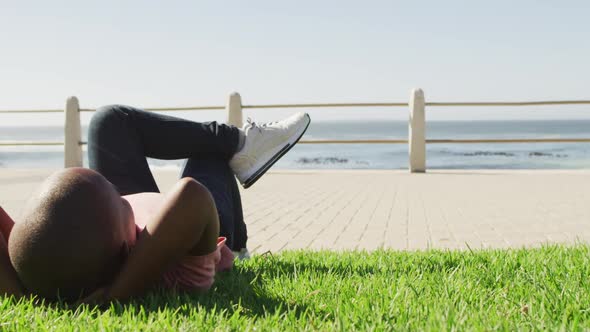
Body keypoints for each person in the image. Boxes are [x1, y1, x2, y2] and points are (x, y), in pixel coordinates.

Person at [0, 105, 311, 302]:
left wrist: (19, 290)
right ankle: (238, 241)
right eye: (116, 196)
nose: (113, 185)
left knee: (109, 121)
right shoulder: (172, 266)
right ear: (128, 247)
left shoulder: (45, 255)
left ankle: (240, 143)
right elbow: (191, 195)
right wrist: (116, 295)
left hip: (100, 218)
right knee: (208, 155)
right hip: (204, 230)